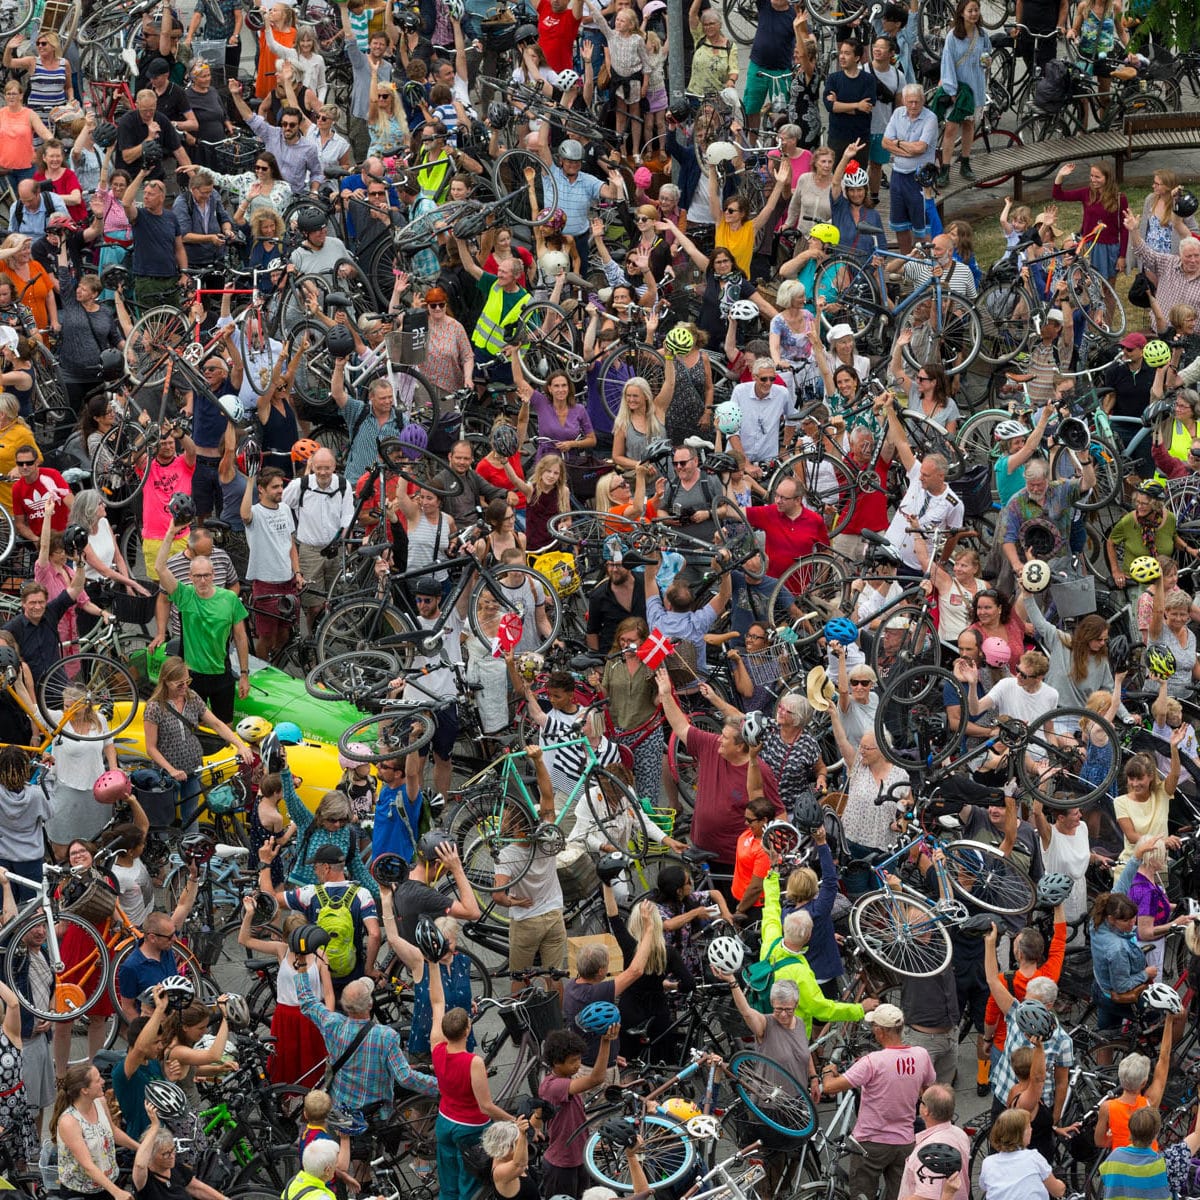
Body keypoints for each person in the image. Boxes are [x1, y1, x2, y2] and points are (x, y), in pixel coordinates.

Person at [655, 669, 783, 882]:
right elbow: (680, 726)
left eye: (725, 738)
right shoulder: (711, 745)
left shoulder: (760, 771)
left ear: (742, 746)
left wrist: (774, 849)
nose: (719, 740)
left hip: (734, 860)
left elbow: (778, 813)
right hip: (701, 849)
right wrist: (667, 695)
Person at [293, 946, 437, 1117]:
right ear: (369, 1005)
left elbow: (307, 1001)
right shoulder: (386, 1036)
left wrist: (301, 964)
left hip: (341, 1109)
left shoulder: (332, 1024)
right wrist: (440, 1086)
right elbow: (405, 1077)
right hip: (375, 1113)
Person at [820, 1004, 936, 1200]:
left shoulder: (872, 1062)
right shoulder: (921, 1055)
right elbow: (928, 1091)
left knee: (863, 1194)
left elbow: (831, 1088)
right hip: (905, 1141)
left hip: (870, 1143)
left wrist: (827, 1071)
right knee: (900, 1194)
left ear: (880, 1031)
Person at [428, 945, 515, 1200]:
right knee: (470, 1183)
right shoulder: (473, 1062)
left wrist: (433, 964)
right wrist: (513, 1121)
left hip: (444, 1122)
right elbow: (486, 1106)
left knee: (448, 1182)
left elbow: (436, 1002)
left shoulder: (437, 1047)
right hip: (470, 1128)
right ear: (467, 1030)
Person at [155, 524, 252, 721]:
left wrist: (244, 674)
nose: (202, 580)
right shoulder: (185, 595)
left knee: (224, 726)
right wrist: (171, 533)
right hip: (192, 677)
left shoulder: (229, 599)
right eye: (197, 576)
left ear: (213, 575)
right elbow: (159, 567)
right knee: (192, 726)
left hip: (221, 674)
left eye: (206, 575)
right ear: (190, 577)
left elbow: (241, 638)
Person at [143, 656, 253, 826]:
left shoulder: (191, 697)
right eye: (179, 684)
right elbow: (151, 748)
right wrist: (171, 770)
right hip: (167, 774)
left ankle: (191, 845)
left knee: (191, 815)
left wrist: (240, 745)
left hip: (193, 768)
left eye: (187, 681)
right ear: (166, 682)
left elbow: (216, 723)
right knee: (164, 819)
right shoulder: (155, 707)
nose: (185, 687)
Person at [537, 1024, 619, 1198]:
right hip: (562, 1165)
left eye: (579, 1059)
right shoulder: (553, 1086)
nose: (578, 1065)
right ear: (556, 1063)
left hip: (579, 1157)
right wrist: (605, 1042)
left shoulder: (565, 1078)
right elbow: (596, 1078)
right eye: (573, 1061)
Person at [53, 1063, 140, 1200]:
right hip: (84, 1192)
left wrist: (139, 1148)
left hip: (109, 1182)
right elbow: (87, 1165)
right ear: (85, 1090)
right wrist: (116, 1192)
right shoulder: (69, 1122)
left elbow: (113, 1131)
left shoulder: (100, 1102)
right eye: (98, 1080)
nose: (103, 1082)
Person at [3, 566, 86, 683]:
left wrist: (80, 564)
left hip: (58, 686)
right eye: (32, 602)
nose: (37, 607)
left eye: (41, 602)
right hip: (32, 689)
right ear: (23, 603)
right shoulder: (12, 628)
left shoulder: (51, 612)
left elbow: (76, 588)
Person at [131, 1103, 227, 1200]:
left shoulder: (175, 1167)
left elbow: (196, 1188)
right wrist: (155, 1126)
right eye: (166, 1154)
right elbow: (139, 1165)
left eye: (173, 1150)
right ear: (151, 1156)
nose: (172, 1156)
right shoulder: (145, 1180)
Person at [898, 1086, 971, 1200]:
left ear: (926, 1111)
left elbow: (927, 1196)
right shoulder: (960, 1134)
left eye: (921, 1100)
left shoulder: (929, 1151)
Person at [978, 1108, 1067, 1199]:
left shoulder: (988, 1163)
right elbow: (1058, 1191)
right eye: (1029, 1127)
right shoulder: (1033, 1158)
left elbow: (984, 1186)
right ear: (1020, 1134)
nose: (1031, 1129)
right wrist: (1062, 1182)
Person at [1098, 1108, 1170, 1200]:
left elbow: (1104, 1175)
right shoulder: (1159, 1163)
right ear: (1155, 1134)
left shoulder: (1115, 1156)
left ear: (1130, 1130)